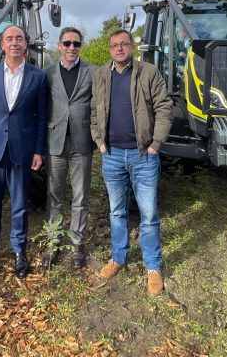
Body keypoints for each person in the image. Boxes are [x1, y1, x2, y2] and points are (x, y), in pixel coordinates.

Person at [90, 29, 173, 295]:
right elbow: (94, 110)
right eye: (115, 45)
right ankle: (119, 258)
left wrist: (156, 144)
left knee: (148, 214)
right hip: (111, 154)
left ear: (132, 47)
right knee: (117, 211)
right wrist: (98, 140)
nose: (119, 48)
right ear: (109, 49)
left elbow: (164, 108)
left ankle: (153, 266)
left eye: (124, 44)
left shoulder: (148, 72)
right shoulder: (101, 75)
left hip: (142, 155)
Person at [0, 25, 48, 280]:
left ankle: (19, 251)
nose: (14, 43)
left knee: (19, 205)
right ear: (1, 44)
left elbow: (41, 118)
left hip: (22, 150)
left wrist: (39, 149)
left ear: (25, 44)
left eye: (19, 38)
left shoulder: (37, 77)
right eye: (9, 39)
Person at [42, 27, 96, 270]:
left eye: (76, 44)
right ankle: (53, 240)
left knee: (80, 196)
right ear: (59, 46)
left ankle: (77, 243)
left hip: (82, 142)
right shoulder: (47, 74)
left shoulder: (93, 72)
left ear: (80, 46)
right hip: (55, 141)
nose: (71, 48)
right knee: (54, 195)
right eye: (67, 43)